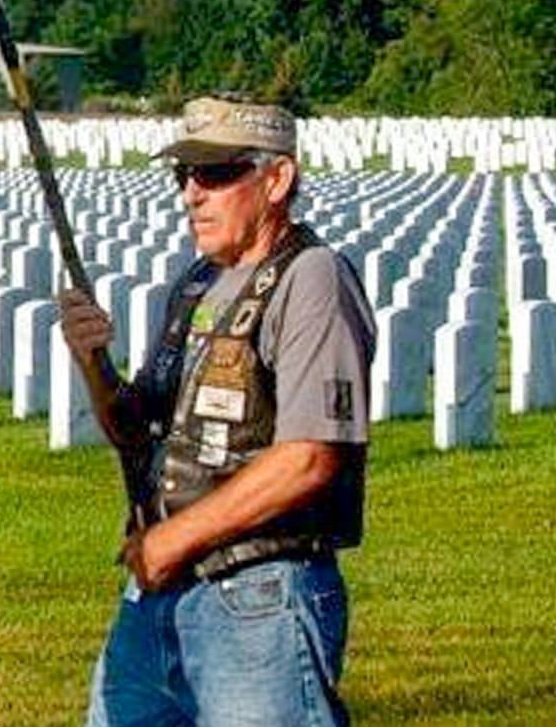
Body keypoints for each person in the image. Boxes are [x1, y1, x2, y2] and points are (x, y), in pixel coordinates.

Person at [58, 94, 376, 727]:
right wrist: (94, 361)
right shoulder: (197, 283)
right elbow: (136, 429)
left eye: (217, 172)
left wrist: (173, 539)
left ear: (277, 179)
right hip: (158, 591)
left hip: (258, 596)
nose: (192, 193)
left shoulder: (310, 278)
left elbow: (311, 457)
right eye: (184, 175)